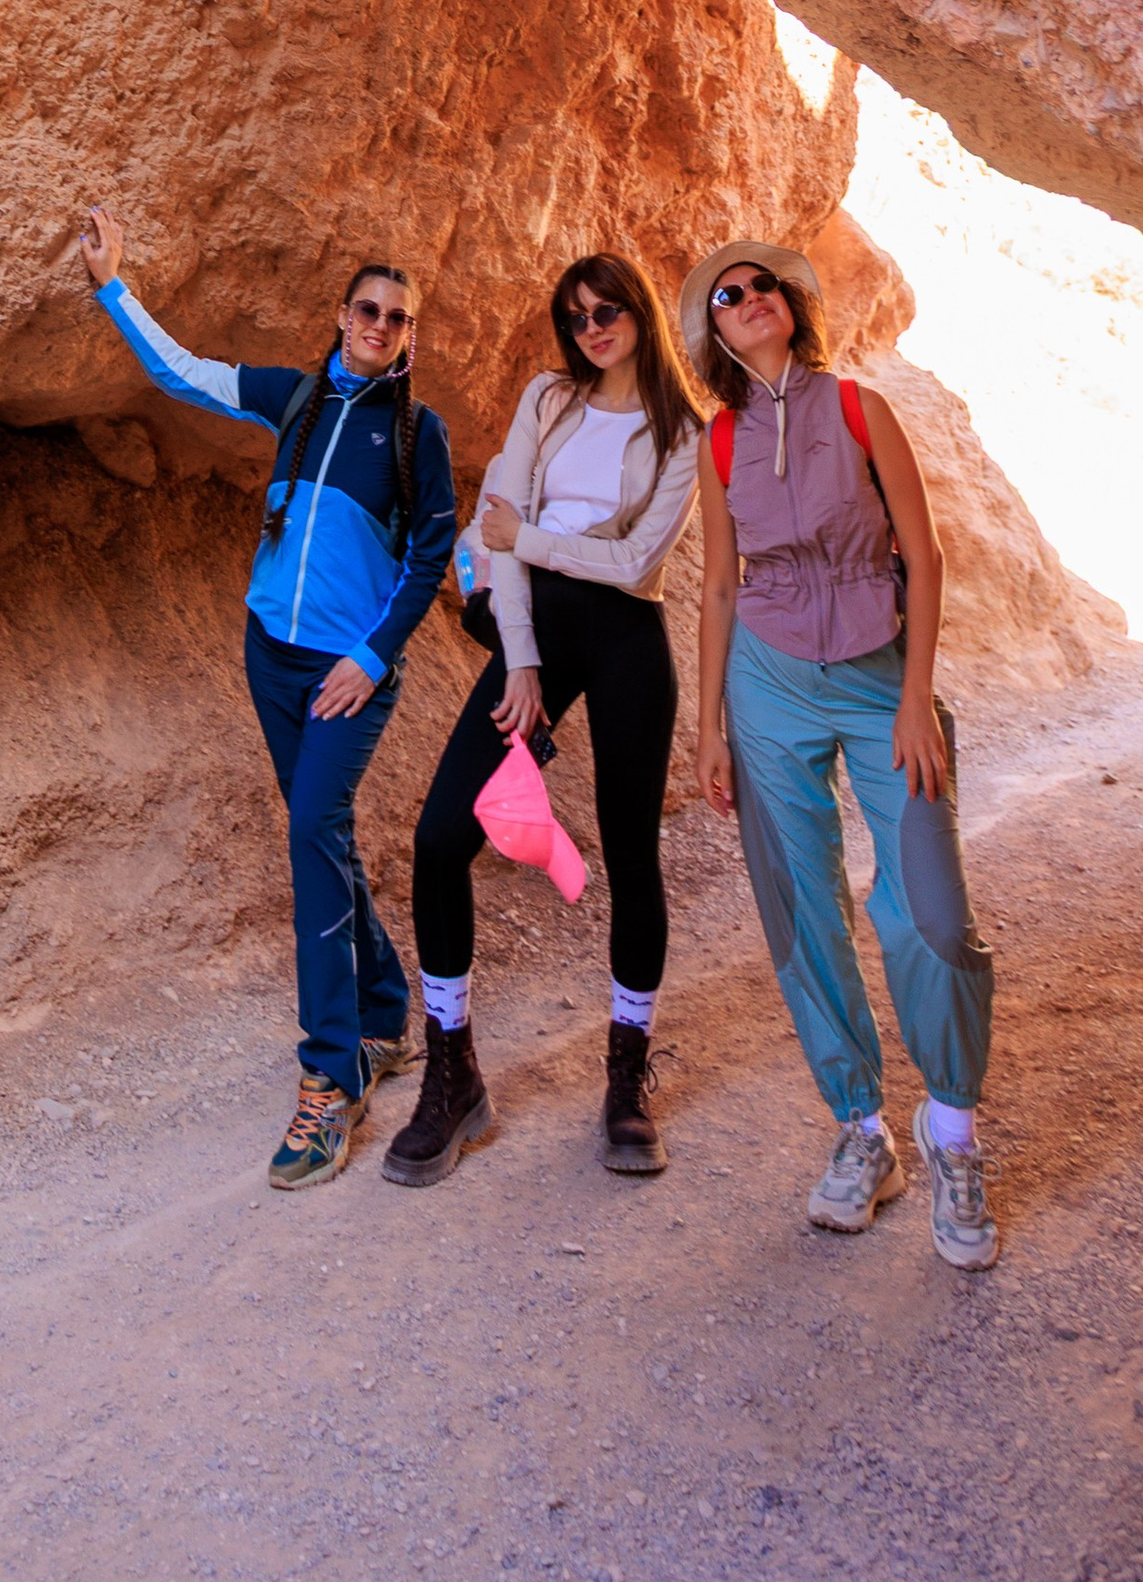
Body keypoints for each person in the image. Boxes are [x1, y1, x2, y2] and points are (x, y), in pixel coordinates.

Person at [76, 203, 457, 1192]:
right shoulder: (295, 398)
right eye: (367, 311)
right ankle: (383, 1012)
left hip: (346, 677)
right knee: (320, 835)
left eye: (398, 319)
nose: (380, 327)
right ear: (341, 316)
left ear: (410, 336)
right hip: (270, 657)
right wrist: (113, 287)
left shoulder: (416, 435)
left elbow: (430, 556)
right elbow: (184, 374)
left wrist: (372, 657)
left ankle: (330, 1076)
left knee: (310, 834)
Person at [686, 238, 1001, 1269]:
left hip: (878, 679)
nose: (748, 299)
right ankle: (862, 1130)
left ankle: (951, 1134)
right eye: (726, 296)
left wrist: (915, 699)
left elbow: (924, 554)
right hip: (766, 683)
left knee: (931, 913)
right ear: (714, 332)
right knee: (801, 906)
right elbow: (720, 585)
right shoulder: (719, 440)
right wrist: (709, 726)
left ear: (790, 304)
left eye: (761, 286)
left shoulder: (862, 410)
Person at [385, 252, 703, 1189]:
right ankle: (453, 1073)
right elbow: (498, 526)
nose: (592, 329)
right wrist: (519, 658)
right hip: (536, 631)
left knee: (631, 854)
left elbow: (634, 563)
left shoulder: (684, 431)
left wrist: (527, 538)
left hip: (629, 637)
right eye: (576, 317)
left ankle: (626, 1078)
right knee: (440, 840)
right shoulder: (547, 398)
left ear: (640, 313)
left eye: (608, 311)